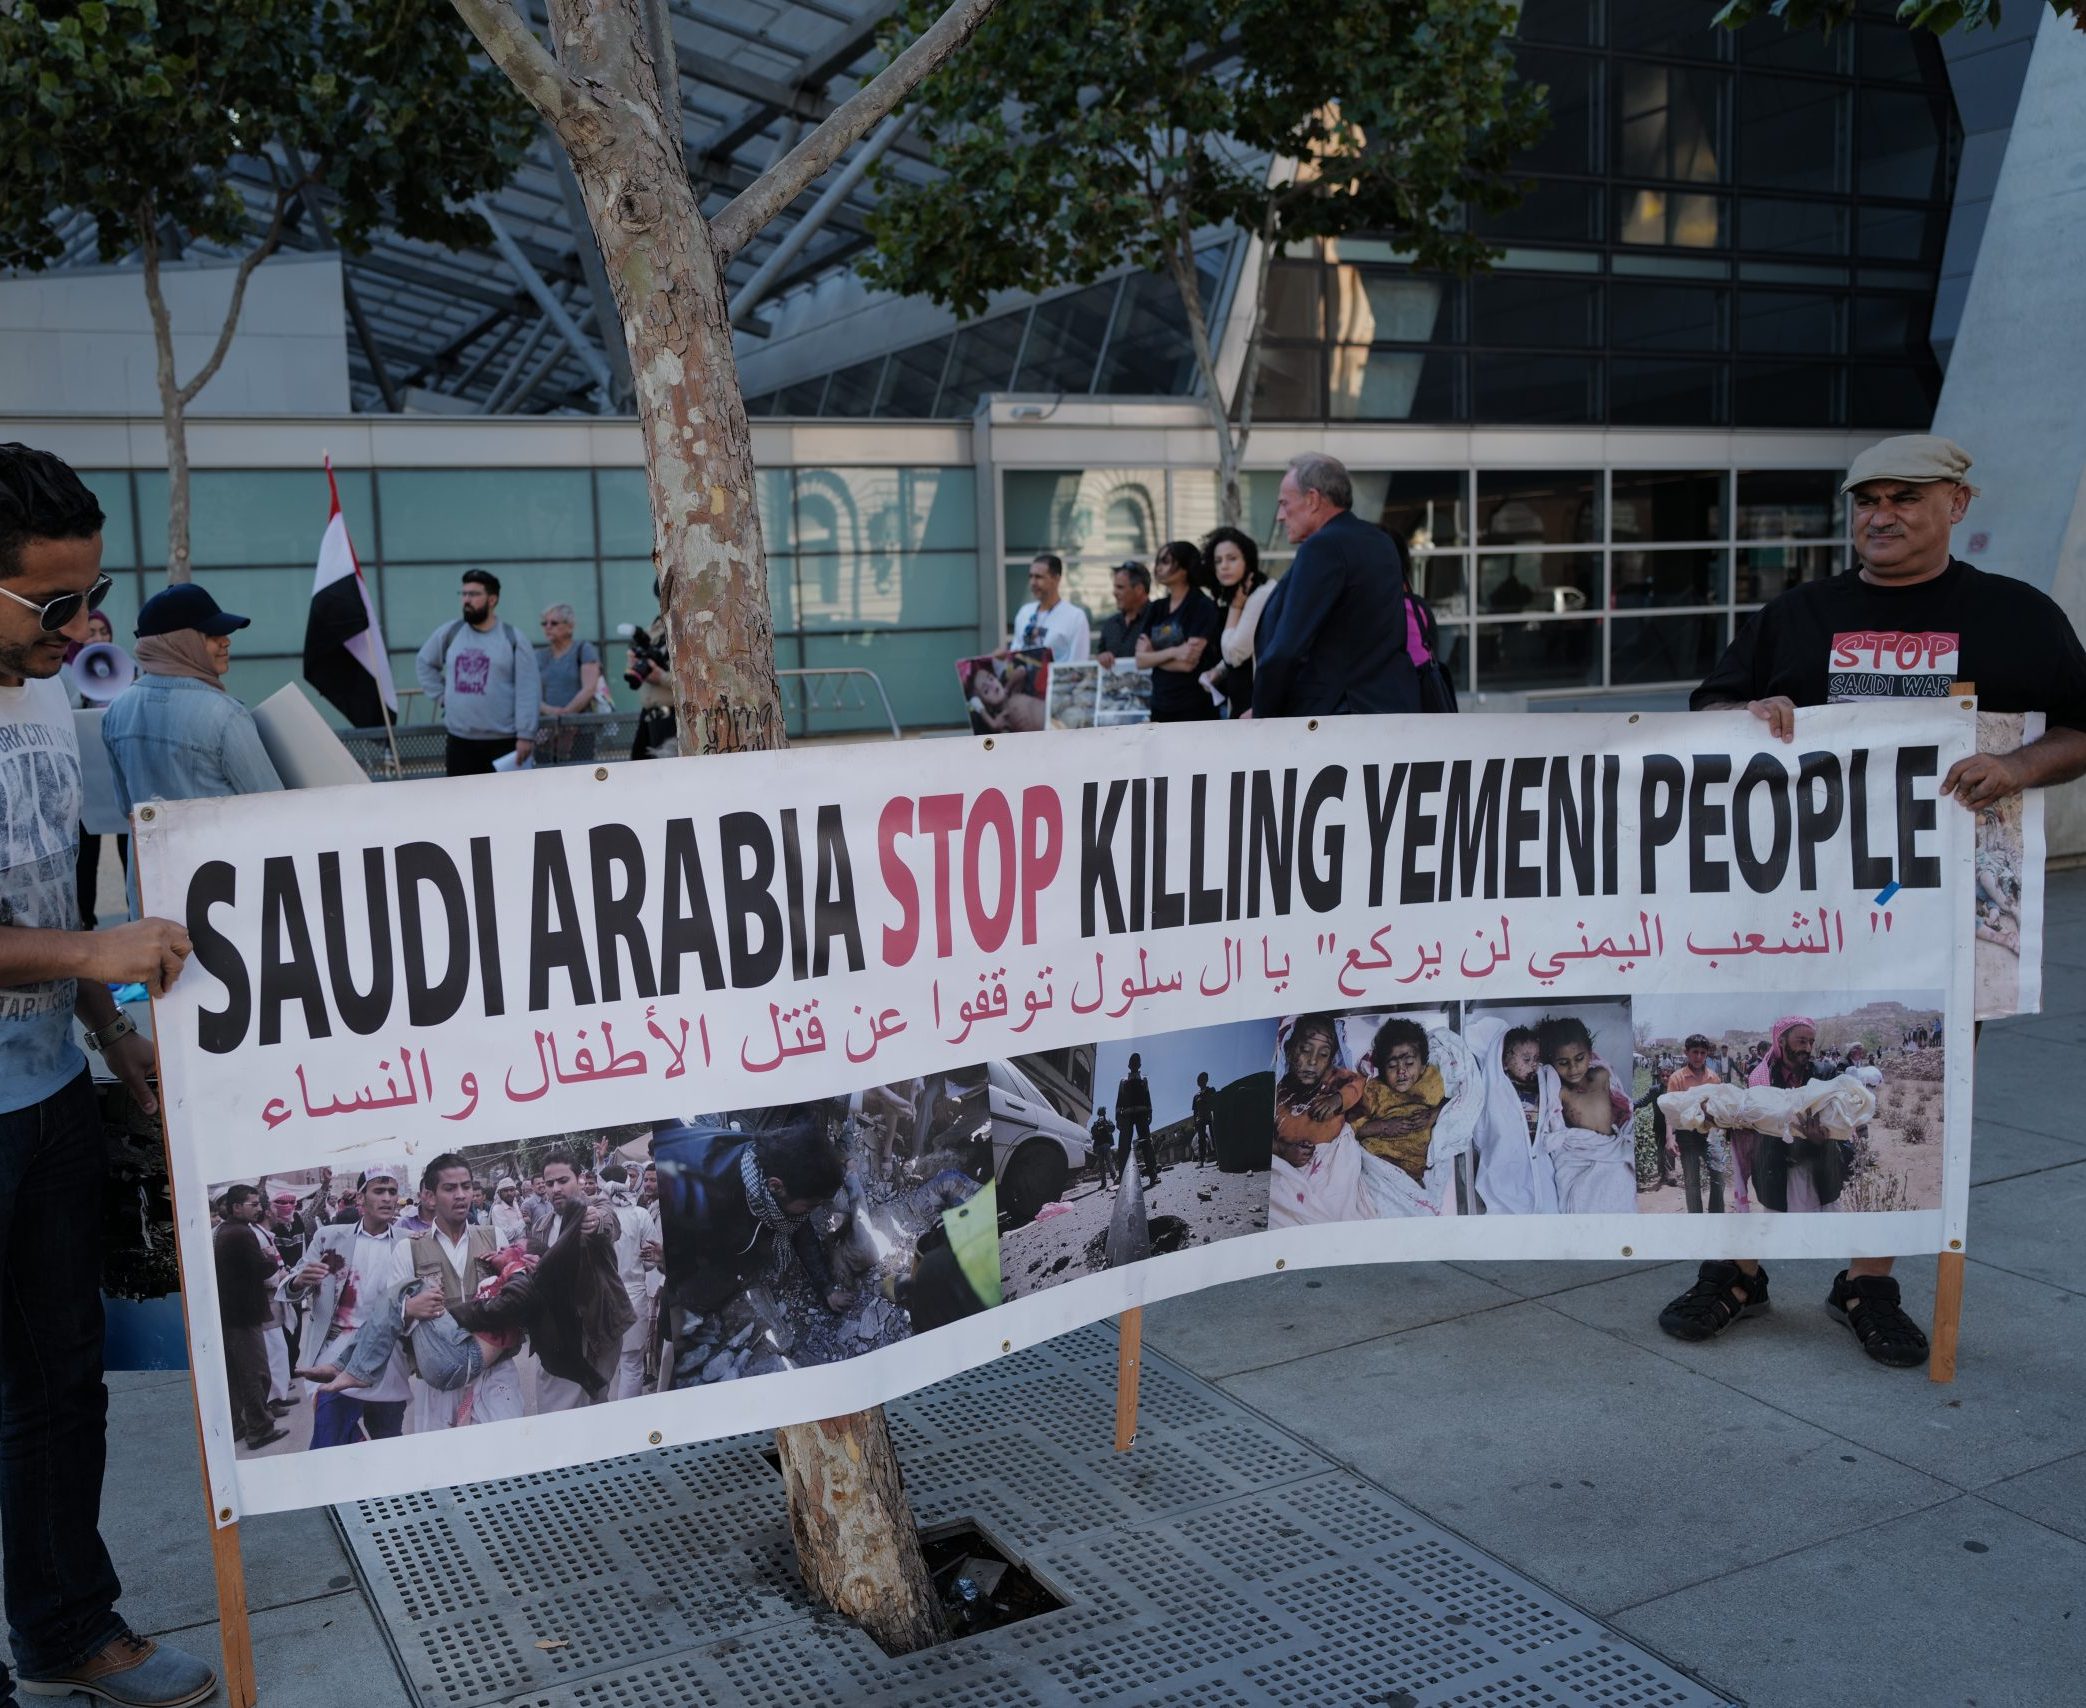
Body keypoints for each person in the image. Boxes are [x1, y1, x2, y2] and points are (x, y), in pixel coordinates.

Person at [1660, 433, 2086, 1369]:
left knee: (1906, 1094)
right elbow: (1708, 715)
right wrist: (1747, 719)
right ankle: (1734, 1268)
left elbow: (2081, 728)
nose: (1880, 516)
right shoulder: (1799, 615)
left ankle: (1869, 1279)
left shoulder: (2016, 616)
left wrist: (2015, 763)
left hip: (1946, 910)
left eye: (1905, 497)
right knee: (1757, 1076)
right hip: (1800, 908)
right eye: (1866, 499)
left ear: (1957, 504)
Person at [0, 442, 218, 1708]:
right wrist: (98, 951)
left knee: (60, 1388)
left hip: (43, 1100)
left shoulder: (41, 697)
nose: (84, 627)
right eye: (52, 604)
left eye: (95, 594)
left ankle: (70, 1633)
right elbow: (76, 922)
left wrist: (110, 1029)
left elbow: (43, 887)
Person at [100, 583, 284, 913]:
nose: (226, 641)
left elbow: (125, 806)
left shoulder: (117, 710)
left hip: (148, 891)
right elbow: (273, 808)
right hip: (223, 898)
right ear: (180, 644)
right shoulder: (225, 715)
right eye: (212, 634)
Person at [1251, 453, 1420, 719]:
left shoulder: (1323, 547)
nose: (1280, 516)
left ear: (1313, 499)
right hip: (1387, 708)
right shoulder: (1380, 541)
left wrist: (1262, 715)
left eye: (1284, 503)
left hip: (1337, 717)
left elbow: (1287, 648)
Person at [289, 1163, 427, 1448]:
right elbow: (292, 1283)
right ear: (361, 1198)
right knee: (331, 1442)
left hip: (387, 1359)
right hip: (333, 1356)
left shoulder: (410, 1243)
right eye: (379, 1191)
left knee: (386, 1440)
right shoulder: (329, 1237)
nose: (388, 1198)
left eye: (392, 1191)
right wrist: (299, 1282)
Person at [402, 1155, 522, 1430]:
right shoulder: (408, 1249)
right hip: (439, 1384)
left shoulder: (495, 1237)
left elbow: (515, 1300)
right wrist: (409, 1310)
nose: (461, 1195)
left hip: (495, 1375)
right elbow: (395, 1320)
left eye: (466, 1187)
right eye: (450, 1188)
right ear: (430, 1197)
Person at [414, 568, 541, 776]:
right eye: (463, 594)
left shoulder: (513, 638)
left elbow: (528, 689)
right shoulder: (450, 633)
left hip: (503, 743)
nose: (466, 600)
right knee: (463, 804)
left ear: (492, 600)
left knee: (506, 804)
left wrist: (526, 735)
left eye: (473, 594)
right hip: (460, 742)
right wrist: (442, 696)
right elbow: (424, 662)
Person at [213, 1186, 288, 1451]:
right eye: (253, 1204)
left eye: (259, 1204)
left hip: (231, 1314)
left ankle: (238, 1426)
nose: (259, 1208)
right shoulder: (241, 1233)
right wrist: (269, 1260)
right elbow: (259, 1269)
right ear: (236, 1207)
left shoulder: (226, 1230)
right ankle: (259, 1429)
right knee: (256, 1374)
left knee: (236, 1375)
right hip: (244, 1315)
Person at [1135, 540, 1223, 724]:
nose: (1158, 568)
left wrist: (1154, 656)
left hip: (1194, 707)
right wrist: (1174, 652)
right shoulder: (1156, 608)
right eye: (1158, 561)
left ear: (1184, 567)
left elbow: (1188, 663)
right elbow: (1140, 660)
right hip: (1160, 705)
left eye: (1166, 561)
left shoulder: (1201, 606)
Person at [1351, 1018, 1445, 1184]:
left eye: (1409, 1063)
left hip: (1415, 1164)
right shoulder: (1375, 1090)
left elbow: (1454, 1105)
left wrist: (1433, 1114)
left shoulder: (1432, 1080)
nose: (1401, 1071)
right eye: (1392, 1065)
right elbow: (1356, 1129)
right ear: (1382, 1069)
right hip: (1379, 1158)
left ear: (1423, 1065)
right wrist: (1385, 1126)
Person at [1199, 526, 1272, 718]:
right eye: (1218, 561)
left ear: (1247, 560)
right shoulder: (1242, 593)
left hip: (1256, 709)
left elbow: (1235, 652)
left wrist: (1235, 608)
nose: (1223, 566)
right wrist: (1219, 671)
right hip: (1241, 706)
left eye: (1232, 559)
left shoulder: (1261, 594)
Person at [1664, 1035, 1726, 1215]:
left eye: (1702, 1053)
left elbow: (1719, 1107)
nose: (1698, 1056)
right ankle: (1696, 1222)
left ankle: (1716, 1218)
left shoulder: (1713, 1078)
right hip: (1686, 1134)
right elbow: (1671, 1111)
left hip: (1710, 1132)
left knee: (1718, 1176)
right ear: (1686, 1053)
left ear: (1707, 1054)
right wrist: (1670, 1137)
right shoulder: (1677, 1078)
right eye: (1695, 1052)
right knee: (1692, 1183)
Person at [536, 601, 601, 763]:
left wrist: (565, 715)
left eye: (554, 623)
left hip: (580, 729)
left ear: (570, 626)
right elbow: (531, 693)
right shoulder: (539, 656)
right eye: (544, 623)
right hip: (547, 731)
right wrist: (550, 712)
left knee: (581, 775)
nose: (548, 627)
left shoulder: (583, 649)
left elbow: (589, 688)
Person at [1007, 553, 1090, 663]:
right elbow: (1015, 655)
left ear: (1056, 579)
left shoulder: (1075, 617)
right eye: (1030, 576)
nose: (1032, 583)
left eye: (1038, 577)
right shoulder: (1024, 612)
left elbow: (1079, 663)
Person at [1096, 562, 1154, 668]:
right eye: (1115, 587)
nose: (1114, 592)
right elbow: (1099, 656)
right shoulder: (1110, 624)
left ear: (1139, 589)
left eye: (1120, 587)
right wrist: (1102, 657)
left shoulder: (1160, 618)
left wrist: (1154, 655)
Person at [1113, 1054, 1158, 1188]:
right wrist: (1117, 1117)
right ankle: (1122, 1179)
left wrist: (1150, 1112)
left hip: (1141, 1114)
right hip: (1126, 1116)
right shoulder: (1123, 1081)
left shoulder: (1144, 1079)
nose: (1134, 1063)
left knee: (1146, 1144)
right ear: (1128, 1065)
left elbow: (1147, 1096)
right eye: (1132, 1061)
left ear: (1140, 1065)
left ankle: (1153, 1174)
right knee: (1124, 1147)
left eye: (1137, 1061)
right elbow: (1119, 1099)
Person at [1190, 1074, 1217, 1167]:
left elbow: (1216, 1103)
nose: (1200, 1081)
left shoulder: (1211, 1090)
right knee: (1201, 1140)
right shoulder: (1196, 1096)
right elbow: (1195, 1112)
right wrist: (1195, 1123)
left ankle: (1218, 1157)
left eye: (1202, 1079)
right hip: (1200, 1119)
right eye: (1199, 1080)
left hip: (1210, 1116)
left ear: (1206, 1080)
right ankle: (1200, 1161)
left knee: (1214, 1136)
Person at [1089, 1104, 1117, 1187]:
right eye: (1100, 1114)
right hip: (1098, 1145)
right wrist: (1096, 1127)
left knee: (1109, 1162)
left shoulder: (1108, 1121)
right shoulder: (1095, 1123)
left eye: (1103, 1113)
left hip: (1106, 1144)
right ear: (1098, 1114)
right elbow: (1093, 1133)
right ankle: (1103, 1183)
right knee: (1101, 1165)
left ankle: (1114, 1178)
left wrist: (1105, 1124)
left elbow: (1112, 1128)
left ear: (1105, 1114)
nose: (1101, 1115)